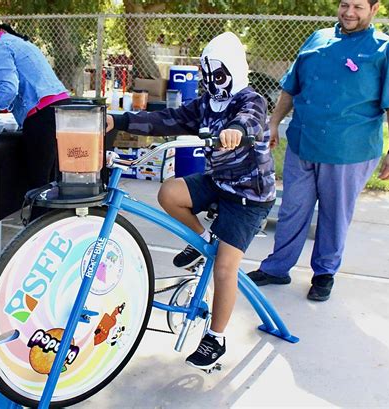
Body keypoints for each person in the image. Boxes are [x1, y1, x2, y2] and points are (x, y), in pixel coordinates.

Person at [107, 32, 276, 370]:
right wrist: (121, 119)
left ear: (233, 71)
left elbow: (251, 121)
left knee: (225, 268)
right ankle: (201, 241)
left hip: (247, 196)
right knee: (169, 192)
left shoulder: (249, 99)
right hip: (217, 182)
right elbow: (166, 120)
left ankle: (216, 338)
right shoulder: (204, 104)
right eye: (207, 72)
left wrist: (236, 132)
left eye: (219, 73)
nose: (212, 81)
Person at [248, 0, 389, 302]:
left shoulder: (386, 50)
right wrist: (274, 122)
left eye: (358, 7)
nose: (349, 13)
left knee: (334, 215)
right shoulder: (317, 38)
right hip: (303, 143)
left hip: (349, 149)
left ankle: (324, 274)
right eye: (345, 5)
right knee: (293, 210)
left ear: (375, 9)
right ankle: (277, 268)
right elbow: (291, 87)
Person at [0, 16, 70, 196]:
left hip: (42, 115)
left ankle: (40, 223)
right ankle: (55, 223)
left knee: (39, 184)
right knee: (53, 179)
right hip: (60, 108)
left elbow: (8, 90)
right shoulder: (15, 42)